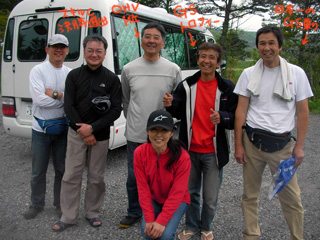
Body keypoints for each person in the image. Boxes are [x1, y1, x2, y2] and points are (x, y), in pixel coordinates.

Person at [233, 26, 313, 240]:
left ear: (280, 46)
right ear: (257, 46)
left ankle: (297, 237)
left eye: (271, 43)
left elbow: (303, 111)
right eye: (262, 43)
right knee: (250, 195)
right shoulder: (248, 74)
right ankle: (251, 235)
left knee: (292, 198)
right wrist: (238, 145)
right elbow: (241, 110)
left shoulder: (296, 73)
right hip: (252, 142)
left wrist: (299, 147)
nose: (266, 48)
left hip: (283, 147)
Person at [163, 42, 238, 240]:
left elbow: (235, 117)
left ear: (218, 62)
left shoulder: (227, 87)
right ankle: (191, 225)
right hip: (189, 150)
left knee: (210, 197)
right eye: (203, 56)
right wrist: (170, 105)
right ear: (198, 59)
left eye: (212, 57)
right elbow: (177, 111)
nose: (207, 61)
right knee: (190, 193)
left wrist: (223, 117)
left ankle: (207, 226)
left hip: (214, 152)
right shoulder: (187, 85)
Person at [52, 34, 122, 231]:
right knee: (71, 174)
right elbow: (69, 106)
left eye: (98, 51)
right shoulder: (73, 76)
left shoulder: (111, 79)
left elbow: (116, 110)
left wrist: (92, 128)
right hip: (76, 133)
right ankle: (68, 216)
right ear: (84, 52)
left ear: (105, 53)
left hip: (100, 135)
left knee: (96, 177)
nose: (94, 54)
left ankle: (92, 212)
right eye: (90, 50)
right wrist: (82, 130)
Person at [120, 21, 182, 228]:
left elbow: (178, 102)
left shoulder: (173, 69)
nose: (151, 41)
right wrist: (134, 121)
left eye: (156, 37)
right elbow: (126, 101)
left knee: (163, 175)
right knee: (133, 177)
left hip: (163, 135)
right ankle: (134, 211)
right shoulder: (129, 69)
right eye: (148, 36)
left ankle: (161, 211)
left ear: (163, 42)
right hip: (136, 133)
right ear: (141, 39)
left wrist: (171, 108)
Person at [23, 34, 71, 219]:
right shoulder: (38, 70)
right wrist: (63, 99)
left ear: (67, 50)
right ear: (47, 49)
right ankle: (36, 203)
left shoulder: (69, 73)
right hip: (40, 130)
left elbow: (71, 100)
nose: (58, 50)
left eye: (62, 47)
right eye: (54, 46)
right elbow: (38, 99)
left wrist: (55, 94)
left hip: (62, 130)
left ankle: (59, 204)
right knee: (38, 171)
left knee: (61, 170)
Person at [134, 109, 191, 240]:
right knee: (146, 232)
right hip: (155, 197)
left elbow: (178, 192)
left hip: (178, 200)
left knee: (164, 235)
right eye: (154, 129)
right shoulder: (139, 153)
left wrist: (161, 221)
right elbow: (143, 189)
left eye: (164, 130)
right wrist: (149, 218)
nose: (158, 135)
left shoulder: (182, 157)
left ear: (171, 133)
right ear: (147, 131)